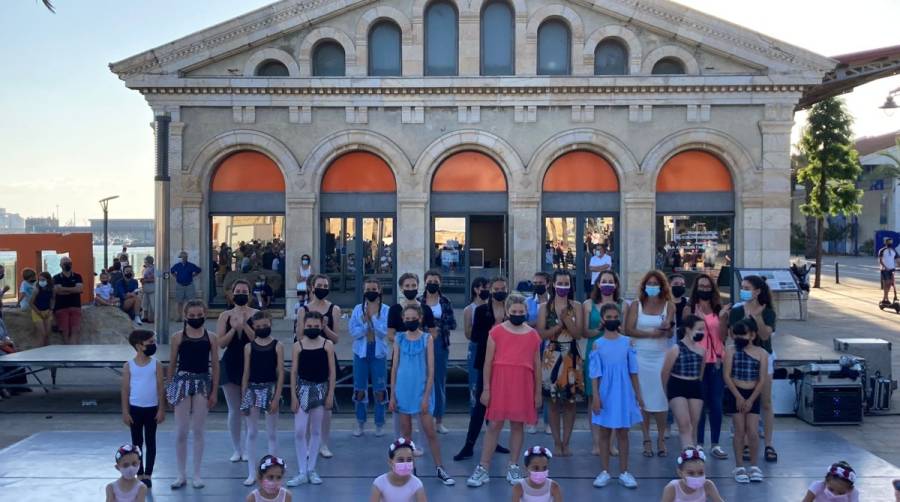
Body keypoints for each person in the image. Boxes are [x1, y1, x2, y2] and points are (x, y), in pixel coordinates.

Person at [467, 294, 541, 488]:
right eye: (514, 311)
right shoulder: (496, 332)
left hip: (523, 383)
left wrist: (538, 392)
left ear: (526, 312)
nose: (517, 314)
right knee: (494, 425)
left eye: (521, 311)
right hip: (500, 383)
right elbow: (487, 363)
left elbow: (537, 365)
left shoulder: (533, 335)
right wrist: (486, 389)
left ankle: (514, 465)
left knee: (518, 426)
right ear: (508, 312)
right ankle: (483, 467)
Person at [389, 304, 455, 486]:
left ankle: (440, 468)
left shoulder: (427, 338)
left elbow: (431, 370)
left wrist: (426, 396)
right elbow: (394, 368)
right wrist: (393, 395)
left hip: (421, 391)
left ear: (420, 318)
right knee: (406, 434)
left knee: (430, 432)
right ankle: (411, 470)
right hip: (403, 391)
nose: (410, 321)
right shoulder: (399, 338)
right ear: (403, 319)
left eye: (413, 318)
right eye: (407, 318)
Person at [455, 276, 510, 461]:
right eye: (496, 288)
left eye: (503, 287)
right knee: (480, 404)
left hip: (506, 363)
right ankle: (469, 445)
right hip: (486, 362)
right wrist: (495, 330)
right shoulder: (480, 311)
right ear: (491, 290)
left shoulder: (512, 310)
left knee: (499, 406)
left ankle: (494, 442)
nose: (499, 291)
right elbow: (476, 336)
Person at [166, 300, 219, 489]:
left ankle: (197, 474)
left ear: (205, 314)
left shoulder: (211, 337)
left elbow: (215, 364)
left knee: (198, 430)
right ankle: (181, 474)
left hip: (203, 383)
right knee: (181, 431)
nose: (196, 318)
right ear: (185, 316)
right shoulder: (177, 337)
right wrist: (169, 389)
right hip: (182, 382)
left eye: (199, 315)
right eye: (192, 315)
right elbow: (172, 364)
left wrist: (214, 390)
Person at [589, 303, 643, 489]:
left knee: (623, 432)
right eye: (609, 317)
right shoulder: (598, 344)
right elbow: (595, 374)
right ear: (603, 320)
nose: (612, 320)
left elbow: (633, 371)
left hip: (624, 392)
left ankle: (624, 472)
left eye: (615, 317)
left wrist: (638, 395)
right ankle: (604, 471)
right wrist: (596, 396)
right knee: (604, 432)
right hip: (605, 392)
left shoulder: (627, 342)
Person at [625, 269, 674, 458]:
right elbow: (628, 329)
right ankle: (646, 438)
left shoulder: (668, 306)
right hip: (640, 355)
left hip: (660, 356)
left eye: (656, 284)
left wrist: (666, 329)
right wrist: (649, 334)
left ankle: (661, 437)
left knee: (660, 399)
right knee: (642, 400)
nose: (652, 287)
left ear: (661, 286)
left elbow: (670, 331)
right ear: (644, 286)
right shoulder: (636, 305)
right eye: (649, 283)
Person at [729, 275, 778, 463]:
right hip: (742, 359)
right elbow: (733, 334)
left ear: (757, 291)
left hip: (763, 357)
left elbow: (765, 335)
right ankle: (747, 442)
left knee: (765, 402)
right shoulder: (736, 310)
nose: (743, 291)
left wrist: (756, 318)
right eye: (742, 287)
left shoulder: (768, 311)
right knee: (744, 402)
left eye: (747, 288)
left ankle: (768, 443)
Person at [538, 270, 584, 457]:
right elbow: (541, 334)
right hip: (552, 355)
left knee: (571, 402)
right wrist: (559, 326)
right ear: (553, 284)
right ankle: (556, 442)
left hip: (571, 355)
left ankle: (567, 442)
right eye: (560, 283)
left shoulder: (577, 306)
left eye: (566, 284)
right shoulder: (544, 307)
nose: (563, 287)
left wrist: (567, 320)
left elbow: (578, 334)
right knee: (553, 402)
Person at [297, 273, 342, 459]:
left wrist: (324, 327)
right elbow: (299, 336)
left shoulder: (334, 309)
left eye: (325, 285)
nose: (322, 288)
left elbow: (336, 338)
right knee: (306, 403)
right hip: (307, 355)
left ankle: (323, 443)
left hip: (326, 354)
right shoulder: (303, 309)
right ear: (312, 287)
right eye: (319, 285)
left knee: (325, 407)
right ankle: (307, 443)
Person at [288, 312, 335, 486]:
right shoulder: (298, 345)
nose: (312, 329)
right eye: (309, 326)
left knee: (316, 431)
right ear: (303, 326)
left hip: (321, 389)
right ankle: (301, 470)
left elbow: (332, 371)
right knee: (300, 431)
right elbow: (293, 372)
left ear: (321, 326)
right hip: (302, 390)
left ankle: (311, 469)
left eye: (316, 326)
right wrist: (293, 395)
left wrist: (330, 393)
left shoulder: (327, 344)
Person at [582, 270, 627, 455]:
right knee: (594, 397)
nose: (607, 284)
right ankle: (596, 443)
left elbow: (625, 331)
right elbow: (585, 332)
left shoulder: (623, 305)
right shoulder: (588, 304)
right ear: (598, 284)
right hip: (595, 350)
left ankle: (611, 444)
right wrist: (600, 329)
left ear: (616, 285)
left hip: (616, 352)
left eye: (611, 281)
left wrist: (614, 327)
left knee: (613, 396)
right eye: (604, 281)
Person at [688, 274, 730, 460]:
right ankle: (698, 443)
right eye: (701, 285)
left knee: (716, 404)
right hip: (697, 362)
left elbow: (723, 337)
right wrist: (696, 322)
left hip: (716, 362)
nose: (704, 289)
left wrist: (721, 319)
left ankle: (715, 443)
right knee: (698, 404)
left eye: (707, 286)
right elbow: (686, 336)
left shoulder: (718, 309)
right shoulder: (690, 309)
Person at [241, 311, 285, 486]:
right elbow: (246, 372)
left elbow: (280, 372)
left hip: (270, 388)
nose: (262, 329)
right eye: (258, 327)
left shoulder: (278, 345)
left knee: (272, 433)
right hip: (252, 389)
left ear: (271, 324)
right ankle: (252, 472)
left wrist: (277, 396)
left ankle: (273, 473)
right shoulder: (249, 347)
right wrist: (245, 394)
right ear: (253, 327)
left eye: (265, 326)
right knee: (251, 432)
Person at [217, 280, 259, 462]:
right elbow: (221, 343)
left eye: (245, 290)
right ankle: (237, 448)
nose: (241, 293)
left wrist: (245, 325)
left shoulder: (257, 314)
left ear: (249, 294)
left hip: (252, 363)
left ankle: (250, 448)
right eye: (238, 290)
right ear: (232, 294)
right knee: (234, 410)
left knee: (249, 409)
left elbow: (259, 340)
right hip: (231, 362)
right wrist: (234, 329)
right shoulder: (224, 316)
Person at [723, 318, 766, 484]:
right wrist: (738, 396)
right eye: (737, 335)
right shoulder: (731, 350)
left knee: (753, 431)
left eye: (744, 334)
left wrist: (751, 399)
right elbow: (727, 375)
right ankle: (739, 465)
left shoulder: (762, 353)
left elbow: (762, 379)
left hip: (753, 394)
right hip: (736, 393)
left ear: (753, 335)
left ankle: (754, 465)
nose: (740, 338)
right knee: (739, 430)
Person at [121, 330, 165, 488]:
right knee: (137, 443)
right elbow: (125, 390)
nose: (154, 345)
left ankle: (148, 474)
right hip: (135, 409)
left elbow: (161, 388)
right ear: (139, 346)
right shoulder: (129, 366)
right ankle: (138, 473)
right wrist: (125, 412)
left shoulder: (156, 364)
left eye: (154, 341)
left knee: (151, 442)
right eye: (150, 343)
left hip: (152, 409)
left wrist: (161, 409)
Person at [350, 277, 390, 437]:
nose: (371, 292)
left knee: (380, 390)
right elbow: (354, 332)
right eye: (368, 289)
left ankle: (379, 423)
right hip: (361, 354)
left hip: (378, 355)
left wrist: (371, 319)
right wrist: (367, 325)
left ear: (379, 291)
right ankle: (360, 422)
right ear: (364, 291)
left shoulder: (386, 310)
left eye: (374, 289)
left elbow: (384, 332)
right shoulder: (357, 309)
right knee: (359, 389)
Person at [419, 270, 456, 434]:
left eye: (435, 281)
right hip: (421, 344)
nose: (432, 283)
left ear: (439, 284)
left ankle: (439, 420)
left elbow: (452, 323)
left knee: (439, 382)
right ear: (425, 282)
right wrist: (429, 328)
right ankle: (423, 419)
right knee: (422, 381)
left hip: (440, 344)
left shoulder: (446, 301)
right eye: (429, 281)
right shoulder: (419, 302)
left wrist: (435, 327)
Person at [662, 315, 706, 450]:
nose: (702, 332)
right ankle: (688, 452)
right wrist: (666, 392)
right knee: (684, 423)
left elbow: (701, 373)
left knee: (694, 422)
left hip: (694, 386)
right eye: (699, 329)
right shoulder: (676, 348)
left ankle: (693, 451)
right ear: (688, 329)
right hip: (677, 385)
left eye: (703, 329)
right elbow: (665, 373)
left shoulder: (702, 351)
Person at [526, 271, 551, 436]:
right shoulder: (527, 302)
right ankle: (532, 420)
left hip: (549, 347)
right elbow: (524, 322)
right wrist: (540, 322)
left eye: (540, 282)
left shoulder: (553, 302)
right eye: (534, 282)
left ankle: (548, 422)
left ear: (547, 284)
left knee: (547, 385)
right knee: (532, 384)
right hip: (532, 347)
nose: (537, 285)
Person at [369, 438, 427, 502]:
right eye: (400, 460)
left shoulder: (417, 484)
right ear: (390, 462)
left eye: (409, 460)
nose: (405, 463)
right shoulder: (379, 483)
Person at [463, 276, 489, 413]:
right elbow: (467, 333)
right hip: (476, 346)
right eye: (484, 288)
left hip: (491, 347)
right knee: (474, 381)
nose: (487, 291)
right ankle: (475, 411)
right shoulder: (469, 309)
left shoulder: (492, 307)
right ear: (476, 289)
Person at [53, 256, 84, 345]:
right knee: (64, 332)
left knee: (75, 331)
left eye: (69, 263)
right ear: (60, 265)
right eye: (65, 264)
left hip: (75, 306)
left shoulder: (78, 276)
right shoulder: (56, 277)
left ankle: (72, 352)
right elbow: (56, 290)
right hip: (61, 307)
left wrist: (63, 289)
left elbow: (79, 289)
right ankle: (68, 352)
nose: (67, 265)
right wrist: (73, 289)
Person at [171, 251, 201, 322]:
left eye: (184, 257)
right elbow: (172, 271)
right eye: (181, 257)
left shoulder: (191, 265)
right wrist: (176, 277)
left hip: (189, 285)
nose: (182, 259)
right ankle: (179, 316)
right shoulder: (177, 265)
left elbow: (199, 270)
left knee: (191, 302)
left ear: (186, 258)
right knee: (179, 302)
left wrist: (193, 275)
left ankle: (190, 316)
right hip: (180, 285)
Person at [30, 272, 54, 347]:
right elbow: (31, 303)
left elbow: (53, 299)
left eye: (43, 280)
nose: (41, 281)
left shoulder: (52, 289)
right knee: (42, 333)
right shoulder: (36, 290)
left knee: (48, 333)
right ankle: (39, 351)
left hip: (47, 311)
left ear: (48, 280)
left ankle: (46, 350)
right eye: (39, 280)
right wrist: (39, 312)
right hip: (37, 312)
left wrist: (51, 310)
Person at [878, 237, 898, 305]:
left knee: (890, 284)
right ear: (885, 243)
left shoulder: (893, 250)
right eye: (888, 242)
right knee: (886, 284)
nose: (890, 243)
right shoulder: (882, 250)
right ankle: (885, 299)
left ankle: (885, 299)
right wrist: (884, 267)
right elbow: (880, 260)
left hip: (892, 269)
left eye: (891, 242)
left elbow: (897, 260)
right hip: (884, 270)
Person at [140, 256, 155, 323]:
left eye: (145, 261)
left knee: (153, 305)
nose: (145, 263)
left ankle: (153, 318)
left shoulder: (154, 269)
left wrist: (145, 280)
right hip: (145, 289)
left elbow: (155, 279)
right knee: (144, 304)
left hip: (152, 289)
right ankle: (145, 317)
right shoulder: (145, 269)